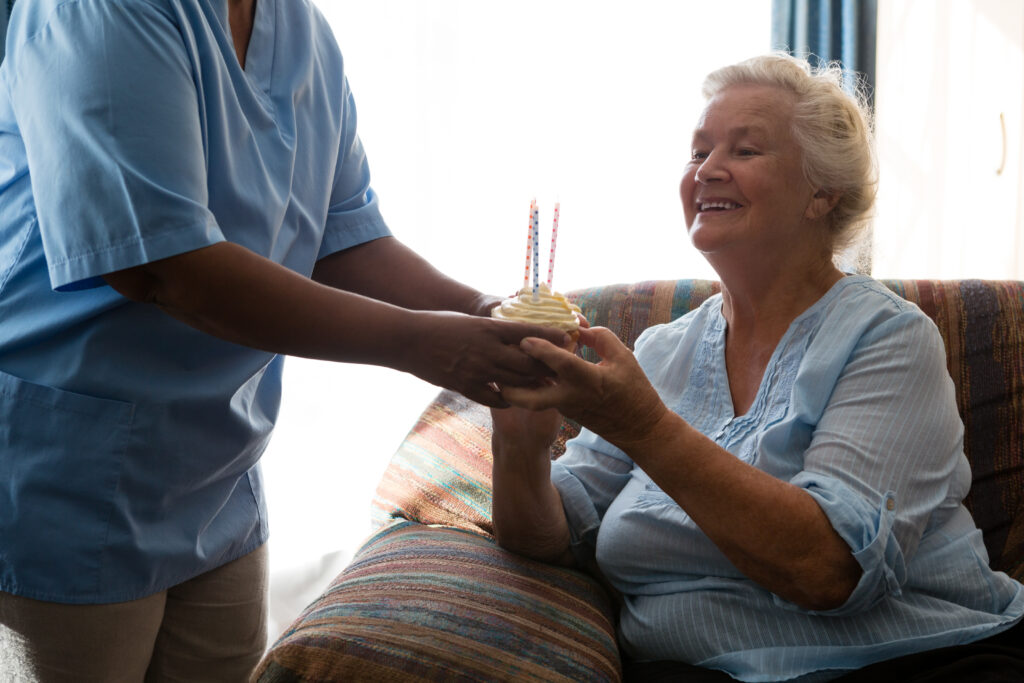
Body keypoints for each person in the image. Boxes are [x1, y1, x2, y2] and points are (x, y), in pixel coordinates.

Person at [0, 0, 570, 681]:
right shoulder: (102, 11)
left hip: (216, 474)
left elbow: (345, 235)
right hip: (69, 471)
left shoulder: (300, 33)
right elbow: (165, 266)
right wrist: (427, 345)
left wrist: (484, 312)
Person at [489, 54, 1024, 682]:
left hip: (915, 661)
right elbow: (553, 537)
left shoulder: (888, 338)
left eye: (744, 152)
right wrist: (519, 445)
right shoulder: (662, 352)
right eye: (697, 153)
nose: (707, 171)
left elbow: (830, 571)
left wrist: (645, 427)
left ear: (822, 192)